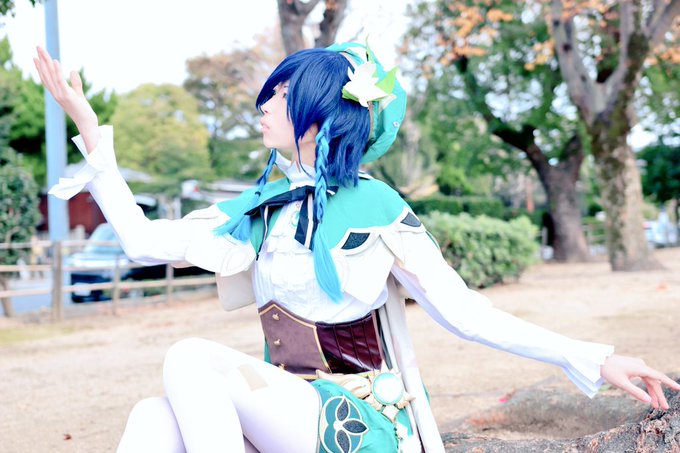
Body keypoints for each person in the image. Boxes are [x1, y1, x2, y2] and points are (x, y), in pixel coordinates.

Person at [35, 42, 679, 453]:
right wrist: (88, 125)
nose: (264, 106)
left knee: (189, 357)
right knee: (152, 417)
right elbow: (143, 241)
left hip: (358, 418)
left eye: (281, 95)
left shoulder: (377, 208)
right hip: (284, 409)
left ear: (319, 113)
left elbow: (467, 313)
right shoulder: (262, 208)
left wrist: (596, 358)